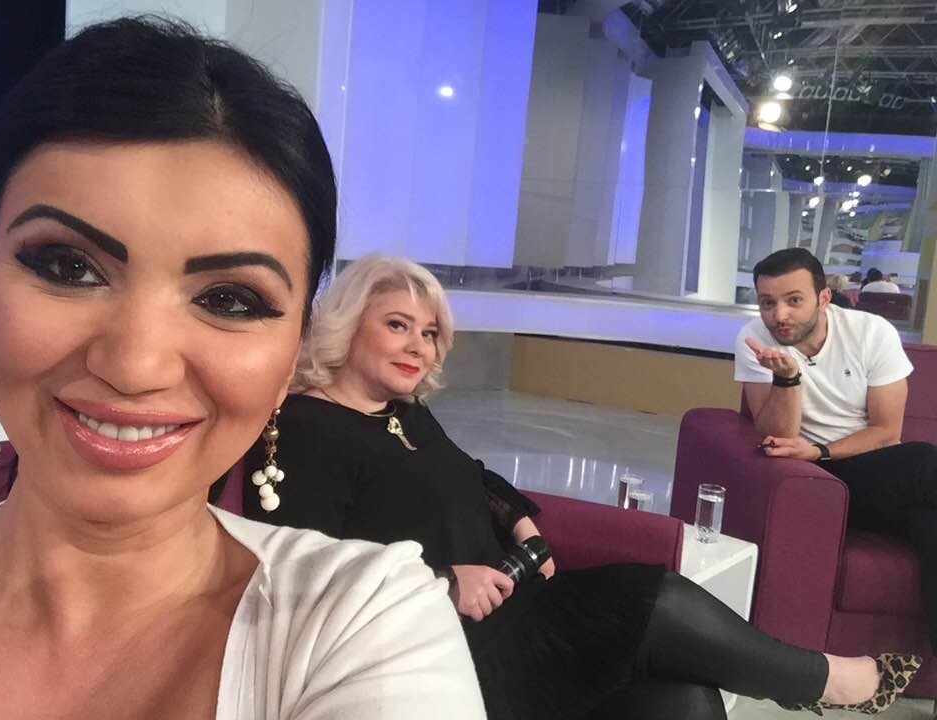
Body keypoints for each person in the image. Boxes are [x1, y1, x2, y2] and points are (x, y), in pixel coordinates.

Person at [0, 18, 484, 719]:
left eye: (228, 300)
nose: (134, 365)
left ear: (291, 357)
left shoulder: (363, 622)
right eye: (68, 267)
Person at [243, 254, 921, 720]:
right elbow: (306, 569)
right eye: (397, 325)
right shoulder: (306, 429)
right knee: (649, 597)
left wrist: (522, 524)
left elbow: (471, 476)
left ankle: (816, 683)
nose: (419, 346)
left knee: (683, 701)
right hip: (447, 647)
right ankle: (823, 681)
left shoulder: (403, 412)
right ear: (348, 322)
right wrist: (443, 582)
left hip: (514, 609)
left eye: (429, 332)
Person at [736, 247, 936, 660]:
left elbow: (886, 432)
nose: (779, 315)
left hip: (874, 470)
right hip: (818, 485)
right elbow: (776, 437)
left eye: (794, 300)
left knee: (929, 524)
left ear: (824, 297)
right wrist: (787, 380)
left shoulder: (870, 333)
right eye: (768, 303)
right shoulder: (754, 339)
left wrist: (821, 450)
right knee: (924, 461)